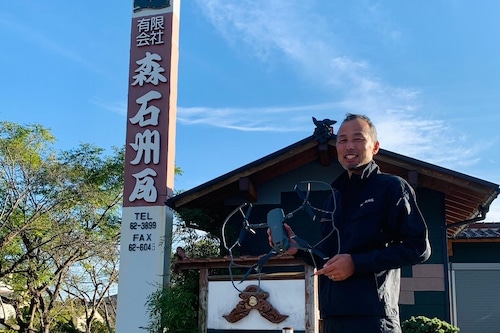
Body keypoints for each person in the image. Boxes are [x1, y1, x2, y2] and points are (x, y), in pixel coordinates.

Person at [269, 113, 431, 333]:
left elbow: (419, 248)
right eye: (342, 140)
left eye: (358, 138)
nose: (349, 146)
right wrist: (297, 249)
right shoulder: (333, 198)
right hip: (332, 316)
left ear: (375, 147)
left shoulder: (392, 187)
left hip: (374, 319)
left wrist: (356, 263)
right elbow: (327, 259)